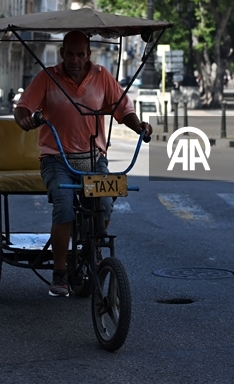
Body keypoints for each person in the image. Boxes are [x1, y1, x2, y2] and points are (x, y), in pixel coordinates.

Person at [14, 31, 152, 297]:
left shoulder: (102, 77)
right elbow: (23, 107)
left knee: (104, 204)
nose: (75, 60)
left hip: (94, 159)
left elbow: (124, 110)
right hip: (56, 159)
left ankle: (92, 249)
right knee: (64, 206)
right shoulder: (48, 76)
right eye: (70, 54)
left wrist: (139, 127)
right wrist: (24, 118)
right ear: (62, 53)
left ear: (88, 55)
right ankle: (60, 272)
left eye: (80, 54)